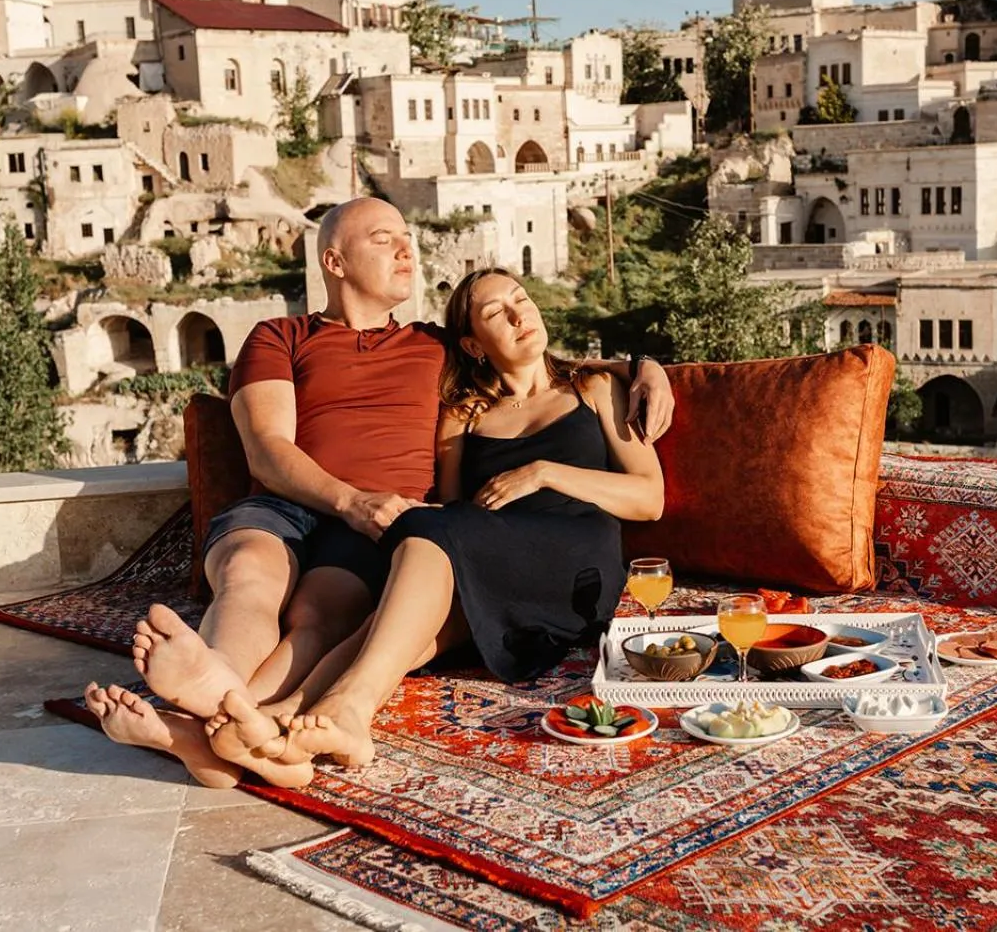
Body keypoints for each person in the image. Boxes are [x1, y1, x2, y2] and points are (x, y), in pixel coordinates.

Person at [83, 199, 674, 787]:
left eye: (407, 236)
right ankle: (219, 701)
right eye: (383, 238)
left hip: (390, 523)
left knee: (320, 615)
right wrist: (350, 501)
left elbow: (533, 356)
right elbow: (267, 450)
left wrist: (646, 364)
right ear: (334, 261)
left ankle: (222, 729)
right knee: (248, 572)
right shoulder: (280, 336)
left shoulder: (434, 346)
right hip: (302, 508)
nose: (405, 248)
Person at [202, 266, 664, 773]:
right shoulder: (465, 412)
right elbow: (448, 508)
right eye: (496, 313)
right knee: (399, 624)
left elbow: (649, 498)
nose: (519, 314)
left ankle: (333, 710)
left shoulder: (594, 388)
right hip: (492, 557)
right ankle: (284, 722)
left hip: (577, 561)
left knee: (427, 534)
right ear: (471, 346)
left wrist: (545, 473)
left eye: (522, 299)